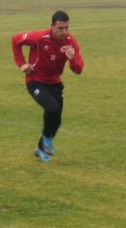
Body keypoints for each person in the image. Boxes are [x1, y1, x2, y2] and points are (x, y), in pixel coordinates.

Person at [11, 10, 84, 162]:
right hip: (35, 80)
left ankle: (40, 148)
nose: (64, 32)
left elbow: (78, 70)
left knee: (56, 119)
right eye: (60, 28)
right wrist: (22, 63)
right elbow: (15, 40)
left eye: (66, 28)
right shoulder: (39, 37)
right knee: (52, 108)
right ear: (52, 26)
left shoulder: (71, 43)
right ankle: (46, 141)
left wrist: (72, 59)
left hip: (55, 82)